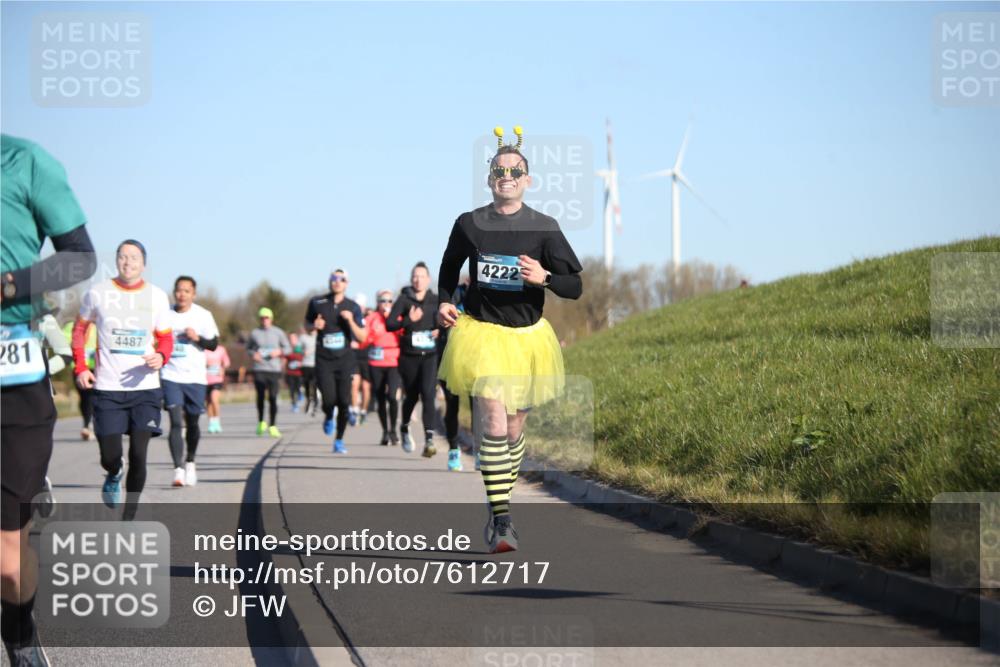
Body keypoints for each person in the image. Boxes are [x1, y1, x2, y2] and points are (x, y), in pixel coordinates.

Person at [437, 126, 583, 553]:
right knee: (494, 424)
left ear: (527, 180)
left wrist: (547, 277)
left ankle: (499, 497)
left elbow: (575, 286)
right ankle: (502, 520)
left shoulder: (545, 227)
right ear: (489, 179)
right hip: (481, 335)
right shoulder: (469, 224)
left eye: (515, 171)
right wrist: (444, 301)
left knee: (515, 427)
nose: (506, 176)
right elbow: (448, 269)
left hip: (528, 339)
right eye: (499, 170)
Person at [1, 134, 96, 666]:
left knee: (10, 563)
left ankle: (17, 635)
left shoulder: (24, 162)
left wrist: (8, 288)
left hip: (14, 379)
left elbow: (79, 257)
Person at [74, 239, 173, 520]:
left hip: (145, 388)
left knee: (140, 455)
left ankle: (129, 514)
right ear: (116, 261)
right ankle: (114, 471)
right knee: (110, 455)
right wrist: (81, 367)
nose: (128, 262)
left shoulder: (156, 296)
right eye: (122, 257)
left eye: (134, 257)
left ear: (144, 263)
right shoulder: (97, 293)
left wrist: (162, 357)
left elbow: (165, 338)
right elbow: (79, 331)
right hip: (108, 388)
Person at [161, 275, 220, 487]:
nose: (182, 294)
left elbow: (213, 344)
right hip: (170, 376)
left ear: (193, 294)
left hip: (195, 378)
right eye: (178, 290)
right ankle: (178, 470)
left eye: (186, 291)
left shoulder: (203, 315)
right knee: (176, 422)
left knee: (193, 423)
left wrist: (197, 338)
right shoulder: (164, 315)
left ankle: (190, 462)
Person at [305, 269, 366, 454]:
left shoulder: (353, 306)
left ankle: (339, 440)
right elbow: (306, 326)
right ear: (329, 281)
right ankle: (328, 414)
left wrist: (350, 321)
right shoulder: (317, 302)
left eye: (341, 279)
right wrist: (313, 326)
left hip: (345, 360)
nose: (337, 282)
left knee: (344, 401)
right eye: (334, 278)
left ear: (347, 283)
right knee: (329, 399)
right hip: (324, 360)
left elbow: (362, 337)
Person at [386, 262, 441, 456]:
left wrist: (440, 330)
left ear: (428, 279)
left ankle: (429, 440)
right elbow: (390, 324)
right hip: (409, 357)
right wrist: (410, 320)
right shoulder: (403, 300)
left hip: (430, 355)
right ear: (411, 279)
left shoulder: (436, 300)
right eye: (414, 276)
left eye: (421, 276)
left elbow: (448, 322)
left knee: (428, 394)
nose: (418, 280)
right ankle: (404, 426)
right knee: (412, 396)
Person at [360, 289, 403, 446]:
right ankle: (385, 431)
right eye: (383, 301)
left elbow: (403, 333)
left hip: (393, 362)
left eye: (389, 301)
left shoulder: (397, 316)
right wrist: (372, 334)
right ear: (377, 303)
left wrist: (391, 322)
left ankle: (393, 430)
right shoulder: (371, 318)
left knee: (392, 396)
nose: (386, 304)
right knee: (379, 397)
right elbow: (363, 340)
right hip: (376, 363)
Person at [246, 307, 291, 437]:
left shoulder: (278, 333)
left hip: (274, 369)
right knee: (260, 396)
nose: (264, 320)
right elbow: (248, 348)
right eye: (262, 318)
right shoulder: (255, 333)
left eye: (266, 318)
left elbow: (287, 348)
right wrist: (253, 354)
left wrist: (279, 352)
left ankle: (272, 425)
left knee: (273, 397)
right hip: (259, 368)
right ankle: (261, 422)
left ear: (271, 319)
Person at [62, 318, 96, 440]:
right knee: (84, 397)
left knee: (92, 396)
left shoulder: (100, 324)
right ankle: (87, 423)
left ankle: (89, 425)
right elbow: (63, 342)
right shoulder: (71, 325)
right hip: (78, 368)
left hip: (96, 368)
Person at [349, 293, 372, 426]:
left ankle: (363, 410)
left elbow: (372, 334)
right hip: (354, 354)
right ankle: (354, 410)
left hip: (367, 355)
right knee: (354, 383)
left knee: (366, 386)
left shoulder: (369, 318)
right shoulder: (351, 318)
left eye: (360, 305)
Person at [204, 342, 230, 433]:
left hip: (217, 378)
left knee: (214, 399)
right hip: (205, 378)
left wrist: (222, 368)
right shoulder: (203, 349)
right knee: (208, 402)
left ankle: (217, 421)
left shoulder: (221, 349)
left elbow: (226, 362)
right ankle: (211, 422)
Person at [299, 326, 318, 417]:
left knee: (314, 385)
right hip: (306, 364)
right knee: (306, 385)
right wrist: (303, 352)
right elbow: (297, 348)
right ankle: (308, 400)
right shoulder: (303, 338)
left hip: (316, 365)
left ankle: (315, 404)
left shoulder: (319, 337)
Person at [285, 333, 304, 413]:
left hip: (299, 373)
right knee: (291, 390)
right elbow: (284, 358)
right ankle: (294, 404)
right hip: (290, 372)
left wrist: (301, 363)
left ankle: (300, 393)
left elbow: (305, 357)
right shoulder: (287, 349)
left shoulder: (300, 348)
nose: (292, 340)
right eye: (290, 338)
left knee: (298, 387)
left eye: (293, 338)